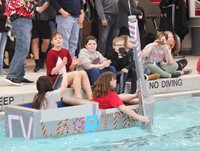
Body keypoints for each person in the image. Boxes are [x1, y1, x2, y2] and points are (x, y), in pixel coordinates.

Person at [46, 31, 92, 99]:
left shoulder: (65, 51)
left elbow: (70, 69)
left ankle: (91, 96)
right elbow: (51, 72)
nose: (58, 40)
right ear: (52, 42)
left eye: (60, 38)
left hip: (65, 77)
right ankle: (78, 97)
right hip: (56, 79)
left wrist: (73, 64)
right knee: (77, 74)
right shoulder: (51, 53)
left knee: (83, 72)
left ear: (63, 40)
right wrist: (62, 64)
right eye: (55, 39)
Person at [5, 0, 37, 85]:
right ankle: (12, 75)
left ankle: (19, 75)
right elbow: (16, 4)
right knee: (23, 48)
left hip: (26, 20)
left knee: (23, 48)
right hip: (19, 19)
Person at [31, 0, 51, 72]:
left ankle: (42, 57)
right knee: (34, 40)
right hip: (32, 18)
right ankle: (37, 63)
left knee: (46, 40)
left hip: (44, 18)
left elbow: (48, 1)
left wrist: (42, 8)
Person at [0, 0, 7, 76]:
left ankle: (0, 69)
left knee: (2, 51)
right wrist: (5, 15)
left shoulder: (4, 1)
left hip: (4, 29)